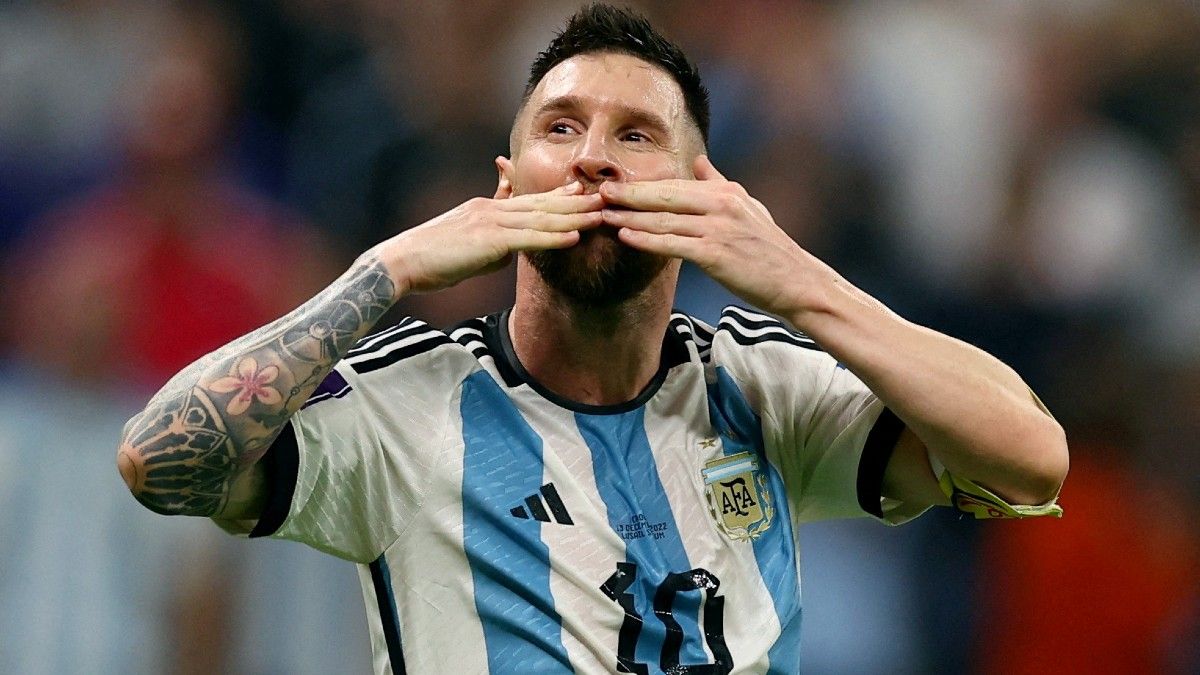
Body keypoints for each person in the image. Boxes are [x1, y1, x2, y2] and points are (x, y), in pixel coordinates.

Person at [117, 5, 1068, 673]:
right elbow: (160, 462)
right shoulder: (407, 404)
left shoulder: (764, 386)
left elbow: (1032, 461)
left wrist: (798, 279)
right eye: (560, 127)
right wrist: (389, 271)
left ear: (704, 189)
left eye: (637, 135)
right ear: (509, 186)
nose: (593, 156)